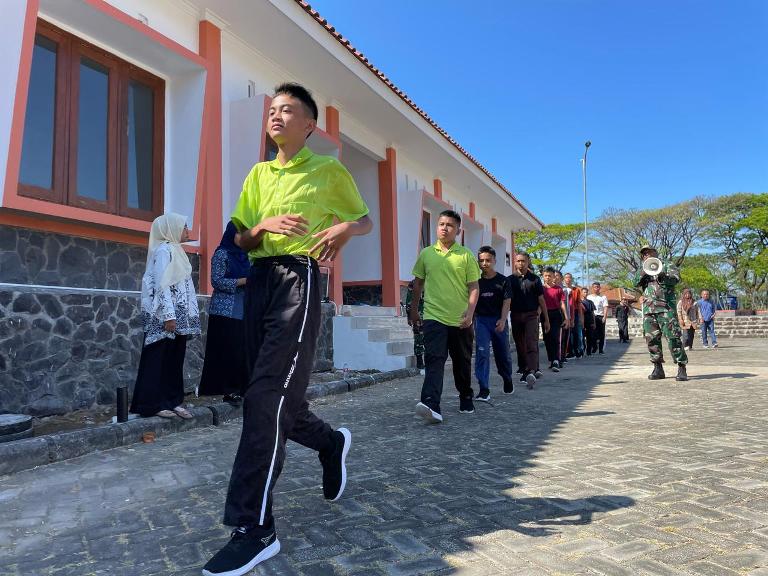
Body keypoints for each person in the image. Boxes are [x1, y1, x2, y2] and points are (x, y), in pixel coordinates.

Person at [203, 83, 372, 576]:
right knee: (272, 397)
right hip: (258, 282)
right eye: (272, 110)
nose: (275, 116)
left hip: (299, 278)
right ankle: (330, 443)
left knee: (266, 397)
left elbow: (363, 220)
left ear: (309, 125)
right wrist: (263, 226)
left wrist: (343, 228)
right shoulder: (258, 174)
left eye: (287, 110)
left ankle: (255, 528)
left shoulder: (328, 170)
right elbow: (240, 237)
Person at [410, 210, 481, 423]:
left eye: (450, 225)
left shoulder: (466, 255)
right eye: (441, 224)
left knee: (462, 362)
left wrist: (470, 313)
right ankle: (431, 404)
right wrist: (414, 309)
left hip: (460, 319)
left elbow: (474, 287)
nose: (444, 228)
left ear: (458, 230)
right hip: (433, 316)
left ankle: (465, 396)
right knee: (434, 359)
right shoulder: (426, 254)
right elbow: (418, 283)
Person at [131, 213, 201, 419]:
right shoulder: (164, 251)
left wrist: (187, 315)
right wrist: (169, 316)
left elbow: (184, 287)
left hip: (179, 316)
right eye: (184, 226)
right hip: (164, 316)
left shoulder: (177, 251)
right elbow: (163, 284)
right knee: (157, 359)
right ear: (171, 228)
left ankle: (173, 401)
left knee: (174, 360)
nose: (187, 230)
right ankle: (152, 404)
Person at [198, 222, 250, 404]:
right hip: (224, 311)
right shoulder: (222, 253)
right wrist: (243, 281)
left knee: (241, 350)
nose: (242, 238)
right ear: (230, 234)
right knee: (228, 351)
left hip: (243, 309)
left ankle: (242, 388)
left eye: (244, 234)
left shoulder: (247, 255)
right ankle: (228, 390)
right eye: (238, 234)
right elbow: (216, 281)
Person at [634, 245, 688, 381]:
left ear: (655, 253)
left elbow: (676, 279)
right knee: (651, 339)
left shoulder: (667, 265)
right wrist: (643, 273)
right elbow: (635, 283)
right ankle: (658, 368)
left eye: (649, 252)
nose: (646, 255)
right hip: (649, 309)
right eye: (644, 254)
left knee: (673, 337)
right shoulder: (642, 268)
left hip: (666, 308)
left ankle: (681, 367)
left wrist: (663, 275)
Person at [473, 246, 514, 401]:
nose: (484, 263)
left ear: (494, 261)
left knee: (502, 354)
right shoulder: (476, 281)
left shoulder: (503, 281)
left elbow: (507, 301)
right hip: (481, 321)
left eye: (488, 260)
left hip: (498, 321)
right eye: (481, 260)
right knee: (482, 353)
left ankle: (507, 377)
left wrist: (503, 320)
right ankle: (484, 388)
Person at [509, 252, 549, 389]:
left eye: (523, 261)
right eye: (518, 261)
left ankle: (530, 371)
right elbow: (506, 300)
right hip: (515, 315)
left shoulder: (535, 279)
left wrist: (546, 319)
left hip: (531, 316)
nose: (521, 263)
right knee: (520, 345)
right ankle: (524, 368)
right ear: (515, 262)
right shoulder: (510, 280)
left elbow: (541, 300)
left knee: (531, 343)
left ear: (528, 262)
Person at [541, 267, 567, 372]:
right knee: (547, 338)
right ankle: (552, 359)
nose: (548, 277)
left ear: (553, 277)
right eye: (546, 276)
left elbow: (562, 303)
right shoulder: (541, 289)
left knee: (555, 337)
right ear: (543, 276)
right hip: (544, 314)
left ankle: (556, 360)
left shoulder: (558, 289)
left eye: (550, 276)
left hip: (556, 314)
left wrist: (566, 317)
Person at [405, 279, 425, 370]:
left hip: (427, 316)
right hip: (420, 316)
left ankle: (423, 361)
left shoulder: (432, 280)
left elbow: (409, 301)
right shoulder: (414, 283)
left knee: (423, 339)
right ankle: (420, 361)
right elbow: (409, 301)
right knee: (420, 338)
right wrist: (409, 316)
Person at [563, 273, 584, 358]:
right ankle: (569, 351)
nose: (568, 279)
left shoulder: (576, 290)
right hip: (565, 312)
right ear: (564, 279)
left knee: (576, 332)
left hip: (574, 312)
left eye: (569, 277)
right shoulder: (562, 289)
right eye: (566, 277)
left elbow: (578, 304)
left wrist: (581, 317)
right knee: (568, 333)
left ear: (572, 279)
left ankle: (578, 350)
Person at [587, 282, 608, 354]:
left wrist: (604, 317)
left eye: (598, 287)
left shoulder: (603, 297)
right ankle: (594, 346)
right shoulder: (589, 297)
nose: (596, 288)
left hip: (600, 316)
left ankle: (601, 349)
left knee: (601, 333)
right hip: (591, 317)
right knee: (592, 333)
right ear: (592, 288)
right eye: (595, 287)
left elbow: (605, 307)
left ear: (600, 288)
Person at [581, 287, 597, 355]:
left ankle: (589, 351)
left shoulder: (590, 302)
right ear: (581, 293)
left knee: (590, 336)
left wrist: (594, 322)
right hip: (582, 320)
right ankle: (582, 350)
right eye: (584, 292)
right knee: (582, 337)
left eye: (586, 292)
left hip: (589, 320)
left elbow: (593, 313)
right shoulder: (579, 302)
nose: (585, 293)